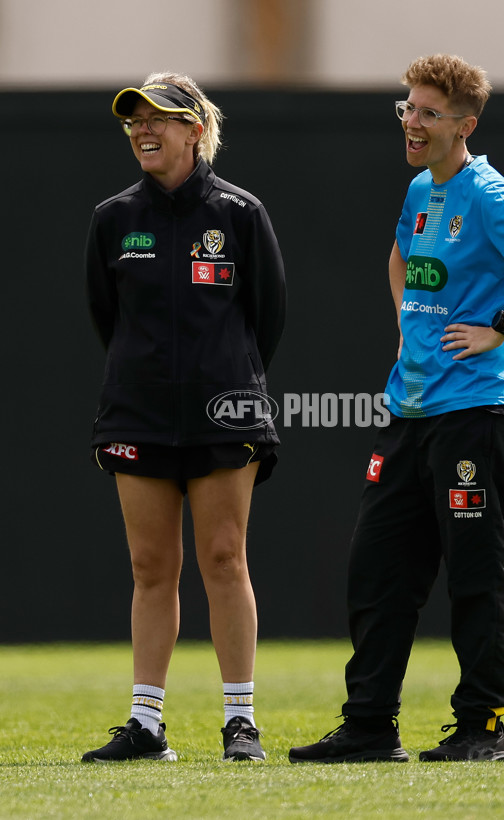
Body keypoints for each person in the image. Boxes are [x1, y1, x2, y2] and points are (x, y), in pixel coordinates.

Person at [289, 54, 504, 764]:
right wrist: (413, 333)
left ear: (464, 126)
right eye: (407, 108)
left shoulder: (486, 192)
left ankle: (483, 726)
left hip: (477, 409)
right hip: (411, 412)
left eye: (428, 113)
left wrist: (500, 326)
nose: (412, 122)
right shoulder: (421, 189)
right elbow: (398, 259)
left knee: (474, 571)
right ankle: (370, 726)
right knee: (377, 570)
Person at [82, 72, 285, 763]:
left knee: (225, 559)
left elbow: (268, 317)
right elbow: (106, 318)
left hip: (224, 413)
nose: (144, 129)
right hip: (136, 413)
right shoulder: (113, 218)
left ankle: (240, 723)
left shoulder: (239, 213)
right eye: (133, 119)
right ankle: (147, 726)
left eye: (160, 118)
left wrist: (223, 381)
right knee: (149, 567)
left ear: (196, 129)